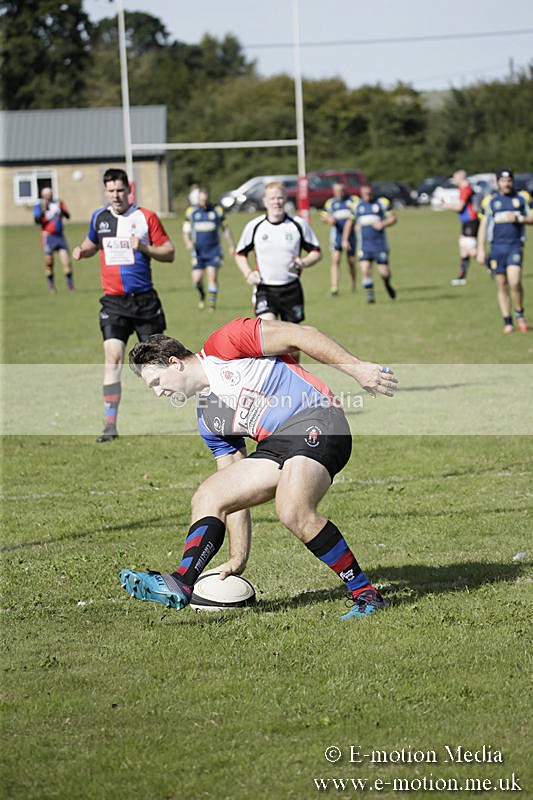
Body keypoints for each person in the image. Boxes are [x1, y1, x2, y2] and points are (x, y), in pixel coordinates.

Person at [121, 316, 398, 621]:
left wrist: (355, 367)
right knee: (210, 495)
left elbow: (301, 335)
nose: (159, 393)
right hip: (277, 445)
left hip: (318, 416)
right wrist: (238, 558)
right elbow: (235, 496)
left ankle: (366, 595)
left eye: (157, 383)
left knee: (293, 510)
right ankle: (182, 580)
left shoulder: (225, 343)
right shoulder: (209, 419)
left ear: (176, 363)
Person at [72, 168, 175, 442]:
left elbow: (169, 252)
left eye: (120, 190)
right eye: (111, 191)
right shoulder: (99, 217)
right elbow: (92, 243)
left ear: (129, 190)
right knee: (113, 357)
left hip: (144, 302)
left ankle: (185, 411)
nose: (116, 196)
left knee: (158, 361)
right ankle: (110, 424)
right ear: (105, 191)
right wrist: (83, 251)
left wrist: (143, 247)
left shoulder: (146, 217)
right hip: (113, 302)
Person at [234, 181, 322, 325]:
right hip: (265, 288)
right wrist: (248, 273)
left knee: (293, 343)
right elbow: (240, 254)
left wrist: (303, 262)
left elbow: (316, 252)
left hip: (291, 288)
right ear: (265, 201)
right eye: (272, 198)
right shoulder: (255, 226)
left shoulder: (298, 224)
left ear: (285, 198)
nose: (277, 202)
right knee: (268, 331)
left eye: (280, 198)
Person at [476, 168, 532, 334]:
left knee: (515, 281)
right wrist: (480, 249)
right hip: (496, 247)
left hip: (514, 245)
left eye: (509, 181)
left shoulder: (522, 198)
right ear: (497, 182)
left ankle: (519, 313)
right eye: (503, 181)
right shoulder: (490, 201)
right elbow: (483, 225)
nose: (506, 184)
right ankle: (507, 320)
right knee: (502, 285)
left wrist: (520, 218)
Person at [182, 187, 236, 311]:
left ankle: (212, 305)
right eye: (201, 200)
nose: (203, 203)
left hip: (214, 250)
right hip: (198, 251)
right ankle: (202, 295)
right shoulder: (191, 212)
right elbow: (185, 231)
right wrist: (188, 242)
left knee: (212, 276)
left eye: (205, 200)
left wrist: (231, 245)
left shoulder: (217, 211)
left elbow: (225, 230)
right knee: (197, 279)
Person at [344, 184, 397, 303]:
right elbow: (349, 222)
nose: (367, 196)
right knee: (365, 269)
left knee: (384, 272)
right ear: (361, 194)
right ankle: (370, 296)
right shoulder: (357, 205)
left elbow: (393, 218)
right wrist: (345, 239)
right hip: (364, 245)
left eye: (369, 194)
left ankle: (387, 283)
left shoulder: (382, 203)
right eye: (364, 194)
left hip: (379, 243)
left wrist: (383, 224)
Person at [440, 169, 480, 286]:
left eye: (455, 178)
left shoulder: (465, 189)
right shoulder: (464, 188)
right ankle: (462, 277)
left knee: (471, 249)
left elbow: (459, 207)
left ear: (461, 178)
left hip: (471, 221)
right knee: (463, 249)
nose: (454, 180)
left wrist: (446, 206)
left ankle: (492, 267)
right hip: (466, 222)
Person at [33, 187, 74, 293]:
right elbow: (37, 221)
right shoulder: (39, 205)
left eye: (49, 194)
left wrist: (63, 212)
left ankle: (70, 286)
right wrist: (43, 211)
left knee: (66, 262)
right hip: (48, 237)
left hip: (59, 236)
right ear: (42, 195)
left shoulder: (58, 203)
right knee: (49, 262)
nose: (48, 196)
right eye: (46, 194)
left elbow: (68, 215)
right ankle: (52, 287)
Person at [319, 181, 357, 295]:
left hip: (351, 235)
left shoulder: (352, 200)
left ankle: (353, 285)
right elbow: (322, 217)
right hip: (336, 236)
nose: (339, 193)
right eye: (336, 191)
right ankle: (334, 286)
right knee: (335, 259)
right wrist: (327, 219)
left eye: (341, 191)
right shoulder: (331, 203)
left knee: (351, 261)